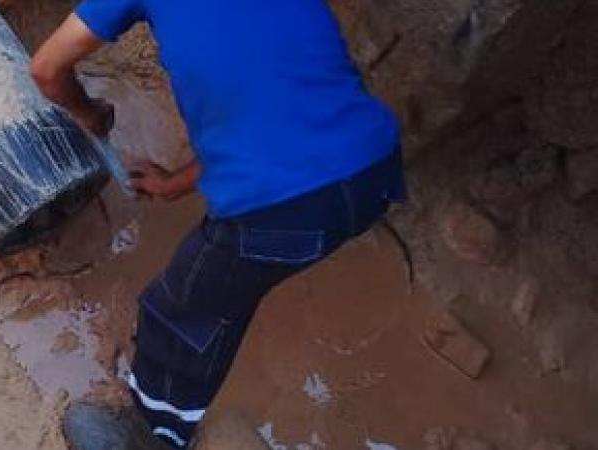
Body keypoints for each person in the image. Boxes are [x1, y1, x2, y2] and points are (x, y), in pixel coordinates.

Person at [30, 1, 407, 448]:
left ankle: (154, 434)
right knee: (233, 286)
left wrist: (87, 112)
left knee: (178, 315)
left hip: (284, 208)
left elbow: (46, 68)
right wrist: (173, 184)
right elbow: (263, 119)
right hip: (374, 172)